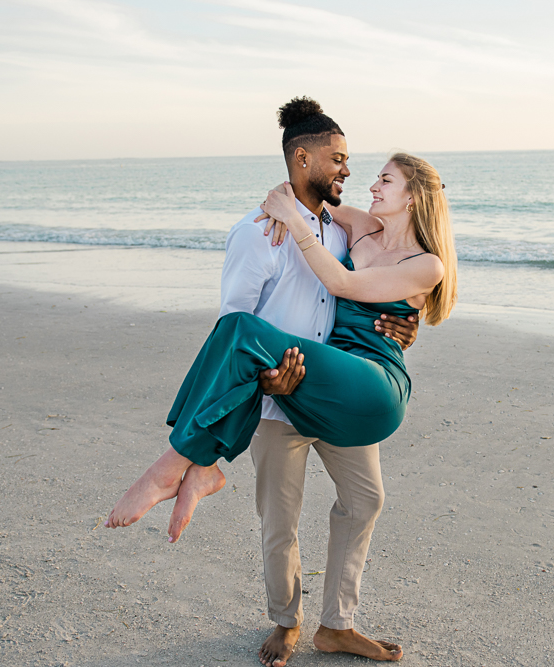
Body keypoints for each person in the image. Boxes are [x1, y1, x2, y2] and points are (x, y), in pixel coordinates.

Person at [105, 97, 457, 665]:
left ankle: (336, 621)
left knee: (365, 500)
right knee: (279, 521)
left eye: (368, 170)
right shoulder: (259, 232)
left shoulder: (338, 231)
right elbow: (230, 330)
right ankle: (285, 621)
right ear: (303, 157)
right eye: (339, 159)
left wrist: (402, 328)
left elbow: (359, 291)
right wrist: (270, 381)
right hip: (275, 402)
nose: (351, 173)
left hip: (340, 386)